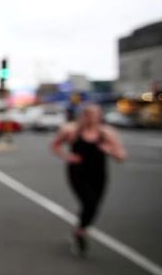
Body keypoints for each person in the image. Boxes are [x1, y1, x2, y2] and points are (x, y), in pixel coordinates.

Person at [50, 104, 126, 256]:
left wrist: (110, 151)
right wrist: (68, 156)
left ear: (99, 116)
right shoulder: (71, 131)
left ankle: (80, 230)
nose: (91, 117)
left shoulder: (106, 133)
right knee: (89, 202)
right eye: (87, 114)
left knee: (94, 206)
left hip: (98, 174)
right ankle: (80, 233)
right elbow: (55, 145)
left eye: (94, 114)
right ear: (82, 115)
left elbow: (121, 156)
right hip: (78, 173)